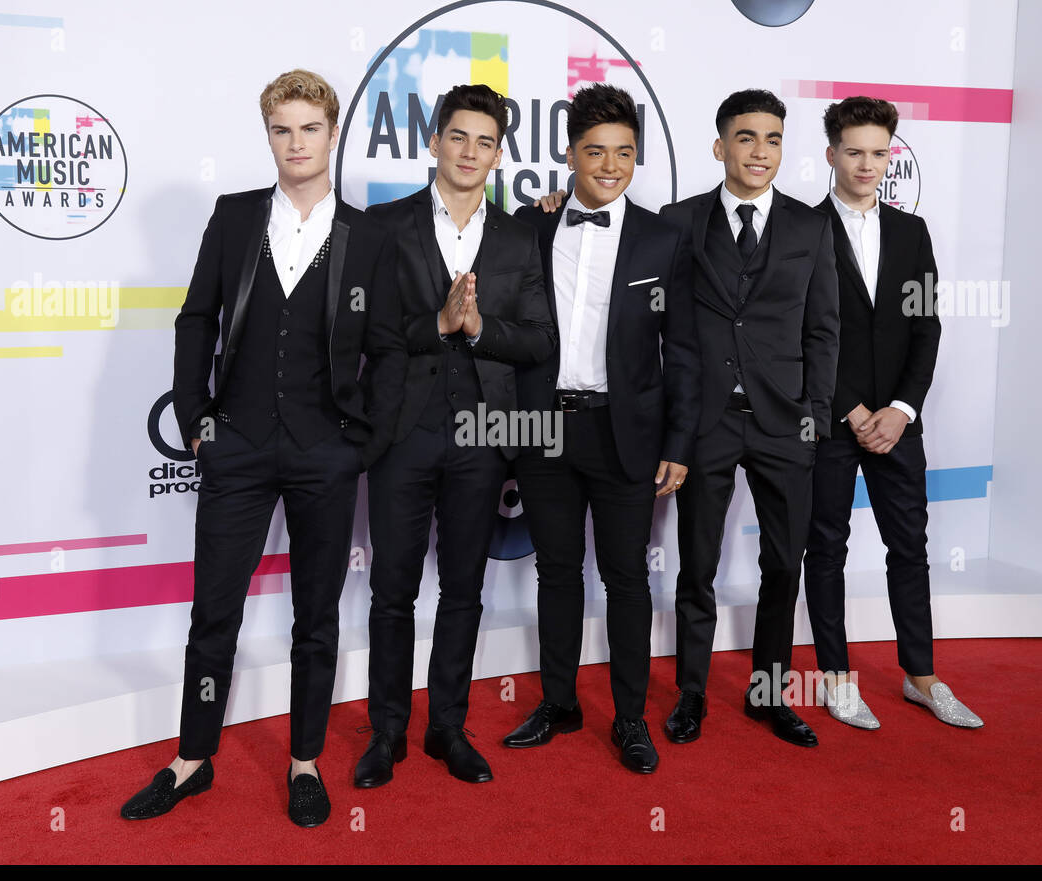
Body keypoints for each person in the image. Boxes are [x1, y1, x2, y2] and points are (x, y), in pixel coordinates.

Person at [120, 69, 405, 827]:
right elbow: (196, 320)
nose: (296, 143)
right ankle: (192, 759)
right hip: (236, 447)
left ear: (331, 132)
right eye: (282, 129)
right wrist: (197, 420)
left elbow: (392, 349)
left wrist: (363, 443)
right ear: (268, 135)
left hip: (326, 454)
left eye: (310, 128)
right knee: (213, 611)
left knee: (315, 616)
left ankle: (305, 760)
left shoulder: (367, 236)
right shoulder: (236, 216)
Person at [355, 83, 555, 788]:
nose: (470, 152)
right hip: (400, 435)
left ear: (499, 155)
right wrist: (435, 325)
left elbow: (538, 340)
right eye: (458, 137)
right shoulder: (382, 226)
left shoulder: (521, 237)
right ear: (434, 142)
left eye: (485, 142)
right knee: (392, 592)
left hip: (482, 435)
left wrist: (478, 328)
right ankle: (386, 735)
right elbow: (367, 332)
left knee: (465, 591)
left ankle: (446, 728)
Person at [504, 84, 699, 774]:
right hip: (545, 429)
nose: (611, 166)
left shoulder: (665, 238)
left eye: (623, 153)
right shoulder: (529, 227)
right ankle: (559, 703)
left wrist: (678, 444)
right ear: (569, 154)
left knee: (626, 580)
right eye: (595, 152)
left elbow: (687, 350)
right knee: (556, 573)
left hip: (629, 434)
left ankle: (630, 720)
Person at [661, 88, 839, 748]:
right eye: (746, 138)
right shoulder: (679, 222)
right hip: (706, 422)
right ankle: (691, 695)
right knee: (696, 568)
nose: (760, 151)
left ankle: (768, 695)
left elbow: (824, 330)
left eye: (772, 139)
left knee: (782, 567)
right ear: (720, 147)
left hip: (785, 423)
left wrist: (815, 416)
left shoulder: (811, 226)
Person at [805, 96, 981, 730]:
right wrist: (852, 408)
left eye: (879, 153)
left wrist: (902, 408)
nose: (867, 164)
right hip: (830, 420)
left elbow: (925, 328)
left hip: (898, 422)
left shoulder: (913, 233)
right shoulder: (803, 229)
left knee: (910, 547)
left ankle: (921, 675)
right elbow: (799, 335)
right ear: (831, 154)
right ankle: (835, 676)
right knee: (824, 547)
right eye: (854, 151)